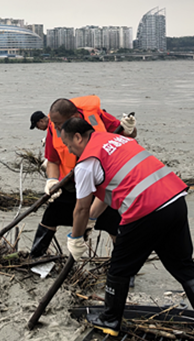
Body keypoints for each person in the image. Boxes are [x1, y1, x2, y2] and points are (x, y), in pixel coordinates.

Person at [59, 117, 194, 341]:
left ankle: (110, 321)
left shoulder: (86, 163)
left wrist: (76, 238)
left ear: (78, 137)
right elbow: (108, 193)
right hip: (174, 199)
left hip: (145, 209)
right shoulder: (115, 139)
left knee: (119, 269)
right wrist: (93, 220)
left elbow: (81, 207)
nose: (69, 150)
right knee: (184, 267)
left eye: (68, 145)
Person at [29, 96, 136, 258]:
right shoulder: (52, 128)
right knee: (51, 216)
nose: (56, 128)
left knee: (115, 224)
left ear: (74, 119)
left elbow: (128, 136)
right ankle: (35, 256)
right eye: (54, 123)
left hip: (101, 183)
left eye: (59, 124)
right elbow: (53, 160)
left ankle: (124, 267)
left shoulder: (96, 115)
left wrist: (129, 129)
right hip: (71, 182)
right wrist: (52, 180)